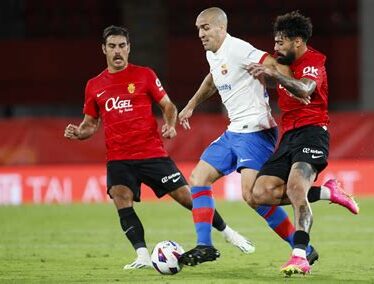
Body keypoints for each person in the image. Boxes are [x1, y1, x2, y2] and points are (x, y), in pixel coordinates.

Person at [63, 25, 255, 270]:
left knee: (188, 197)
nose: (118, 51)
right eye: (112, 46)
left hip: (151, 153)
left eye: (122, 45)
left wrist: (170, 124)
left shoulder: (144, 75)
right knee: (121, 198)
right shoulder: (94, 85)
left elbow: (168, 106)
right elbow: (90, 124)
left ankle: (228, 232)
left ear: (129, 48)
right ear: (104, 49)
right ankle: (142, 255)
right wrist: (80, 133)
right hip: (119, 158)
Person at [177, 7, 357, 267]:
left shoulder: (239, 48)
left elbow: (272, 63)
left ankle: (307, 244)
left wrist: (289, 83)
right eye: (198, 29)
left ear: (220, 27)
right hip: (234, 130)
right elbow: (213, 78)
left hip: (256, 131)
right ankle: (205, 246)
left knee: (255, 197)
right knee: (198, 178)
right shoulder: (212, 54)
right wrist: (192, 104)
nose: (201, 34)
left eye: (205, 28)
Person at [247, 11, 359, 277]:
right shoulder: (284, 64)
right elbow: (281, 83)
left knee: (296, 188)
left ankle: (300, 255)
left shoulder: (313, 61)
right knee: (259, 195)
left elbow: (306, 89)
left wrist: (273, 74)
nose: (275, 48)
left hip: (312, 133)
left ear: (297, 41)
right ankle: (328, 193)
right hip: (288, 137)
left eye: (280, 42)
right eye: (275, 43)